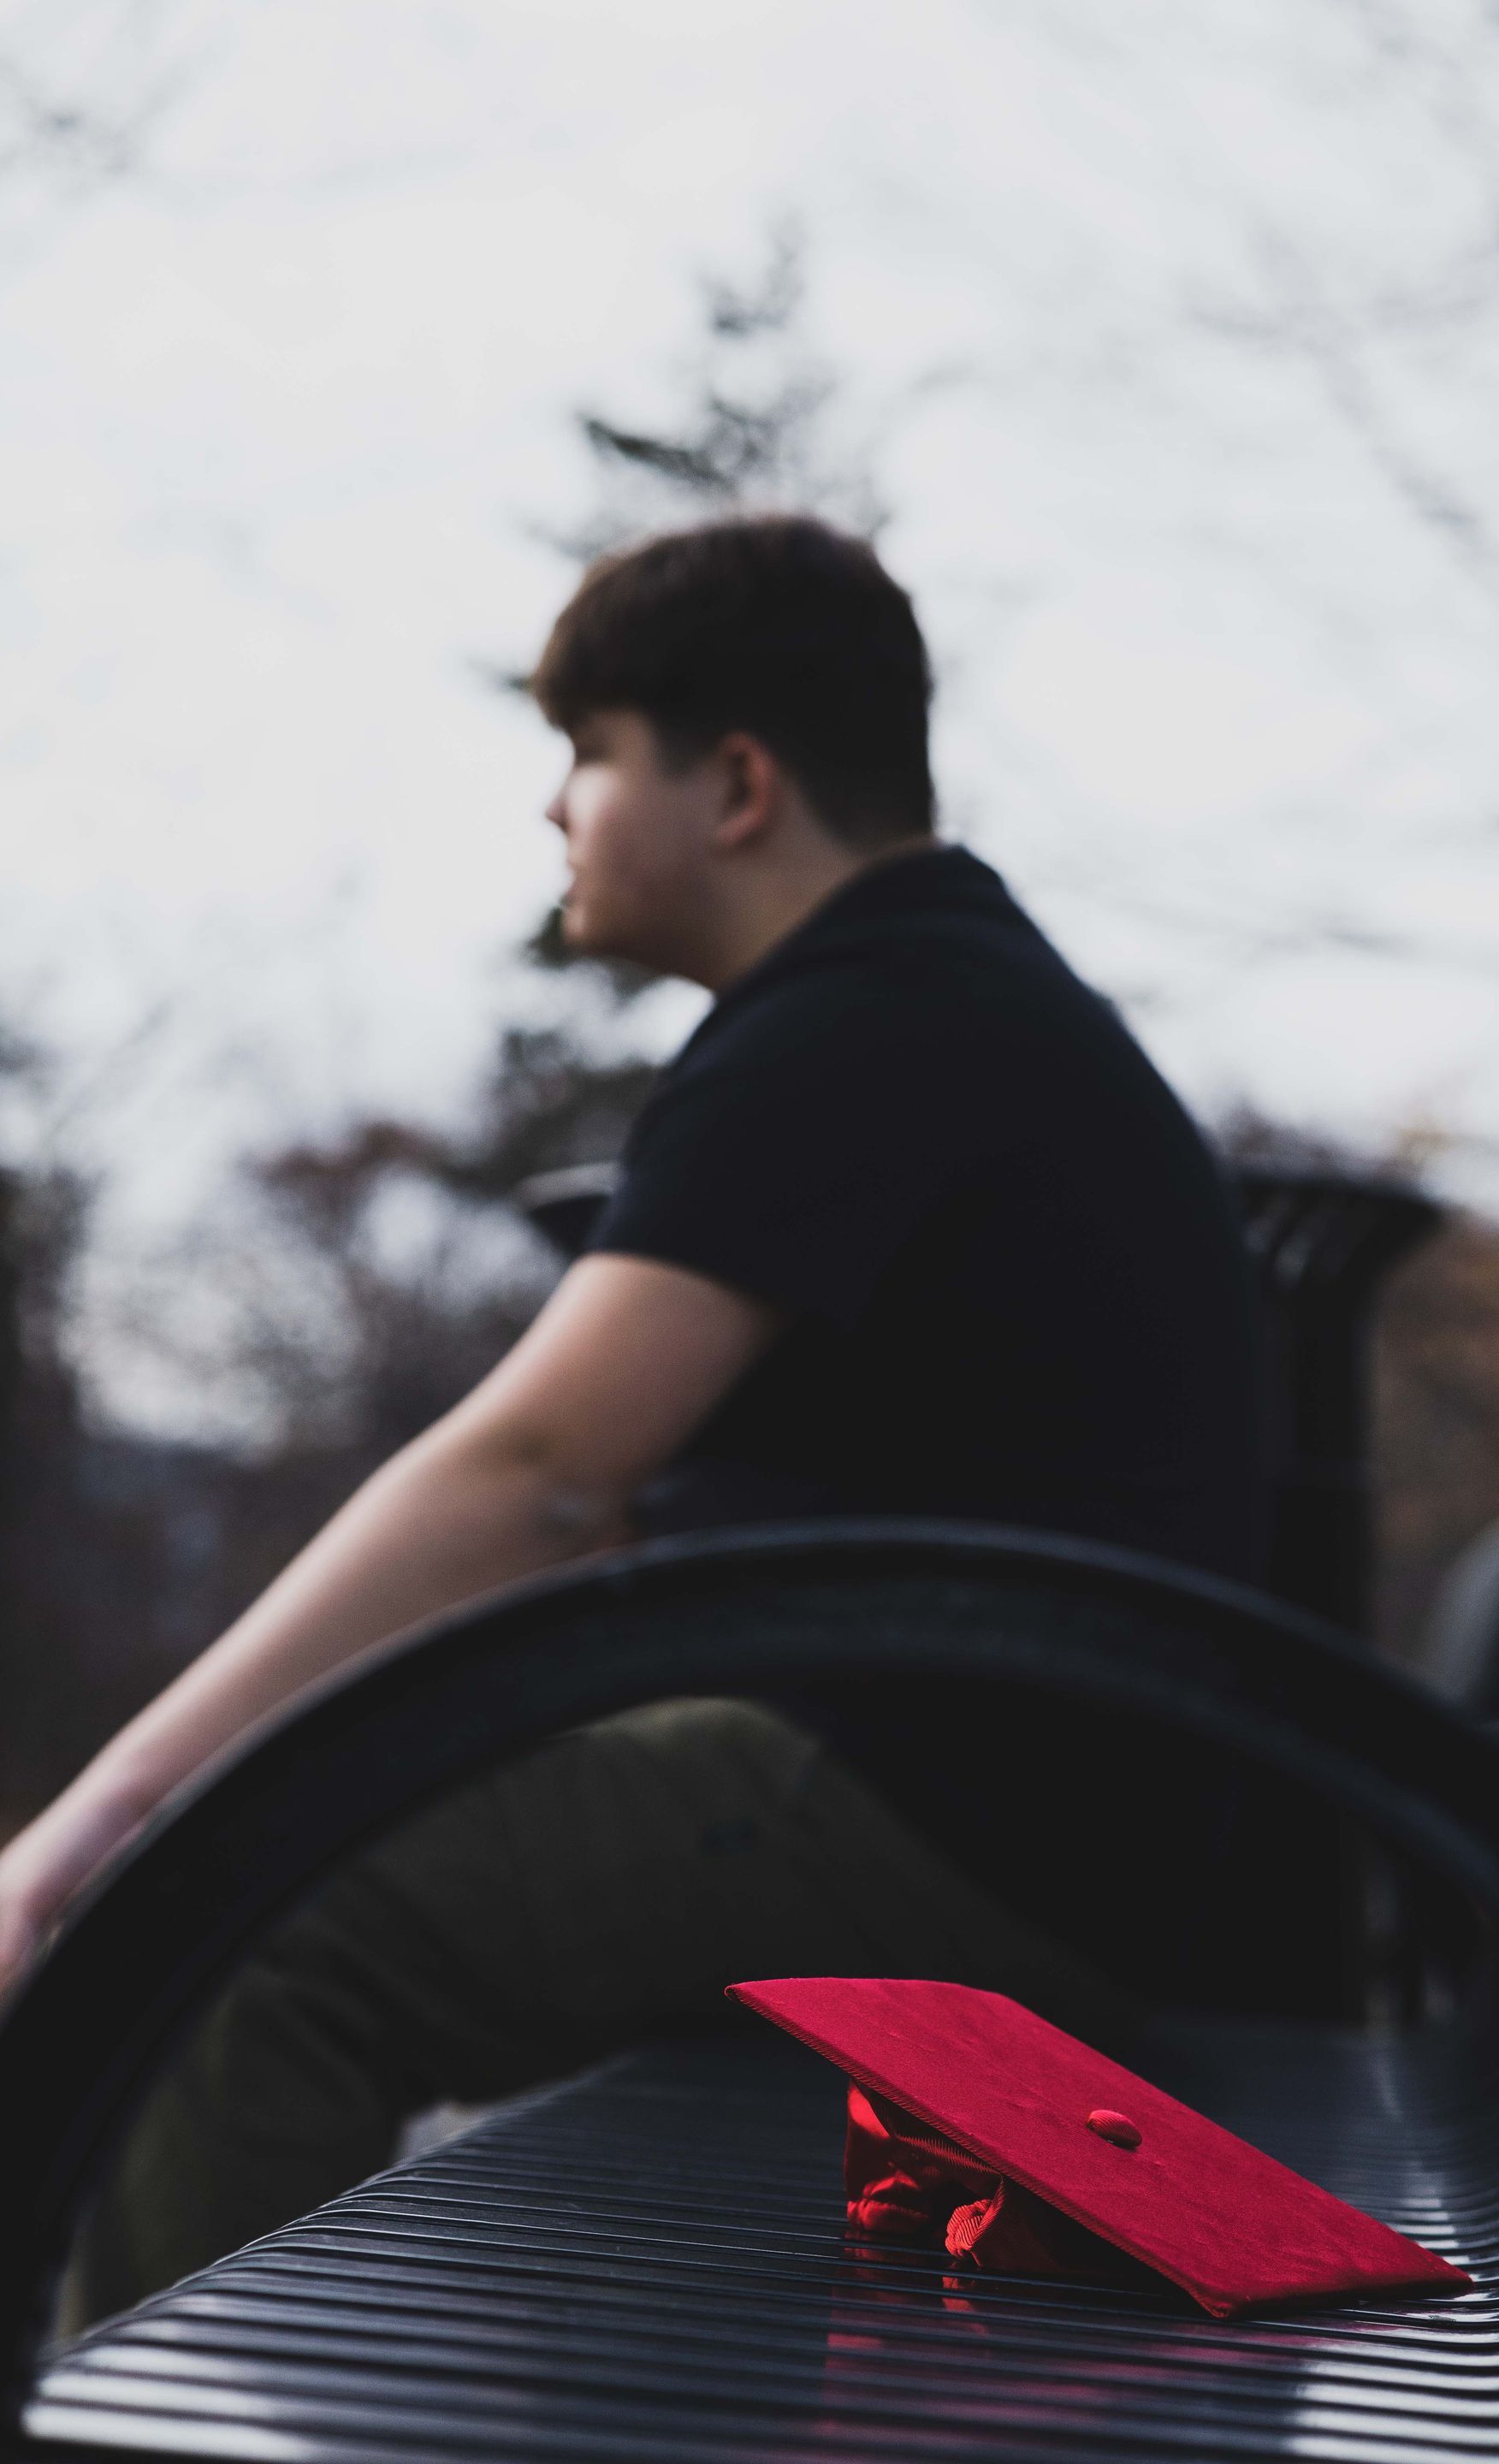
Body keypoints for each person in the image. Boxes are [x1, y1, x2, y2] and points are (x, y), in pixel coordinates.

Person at [0, 516, 1264, 2322]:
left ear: (737, 785)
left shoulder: (860, 1019)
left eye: (589, 754)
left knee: (232, 1929)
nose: (555, 809)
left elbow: (533, 1474)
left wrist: (114, 1813)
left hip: (965, 1843)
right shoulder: (945, 998)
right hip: (1039, 1823)